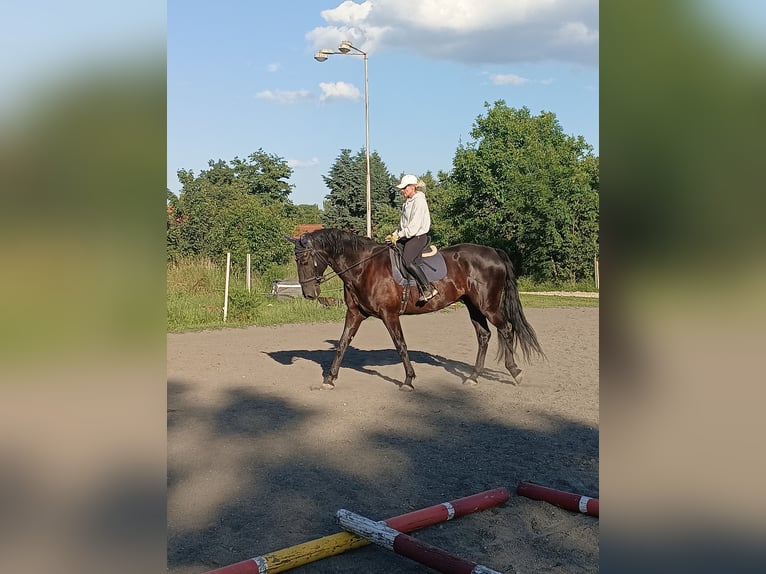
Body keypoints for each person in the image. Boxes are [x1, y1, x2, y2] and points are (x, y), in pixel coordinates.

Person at [385, 174, 439, 302]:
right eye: (402, 188)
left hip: (418, 236)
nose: (402, 191)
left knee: (407, 261)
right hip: (407, 236)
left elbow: (414, 227)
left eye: (404, 188)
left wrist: (398, 235)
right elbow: (402, 225)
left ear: (412, 187)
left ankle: (428, 288)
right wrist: (393, 235)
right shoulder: (407, 203)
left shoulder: (419, 200)